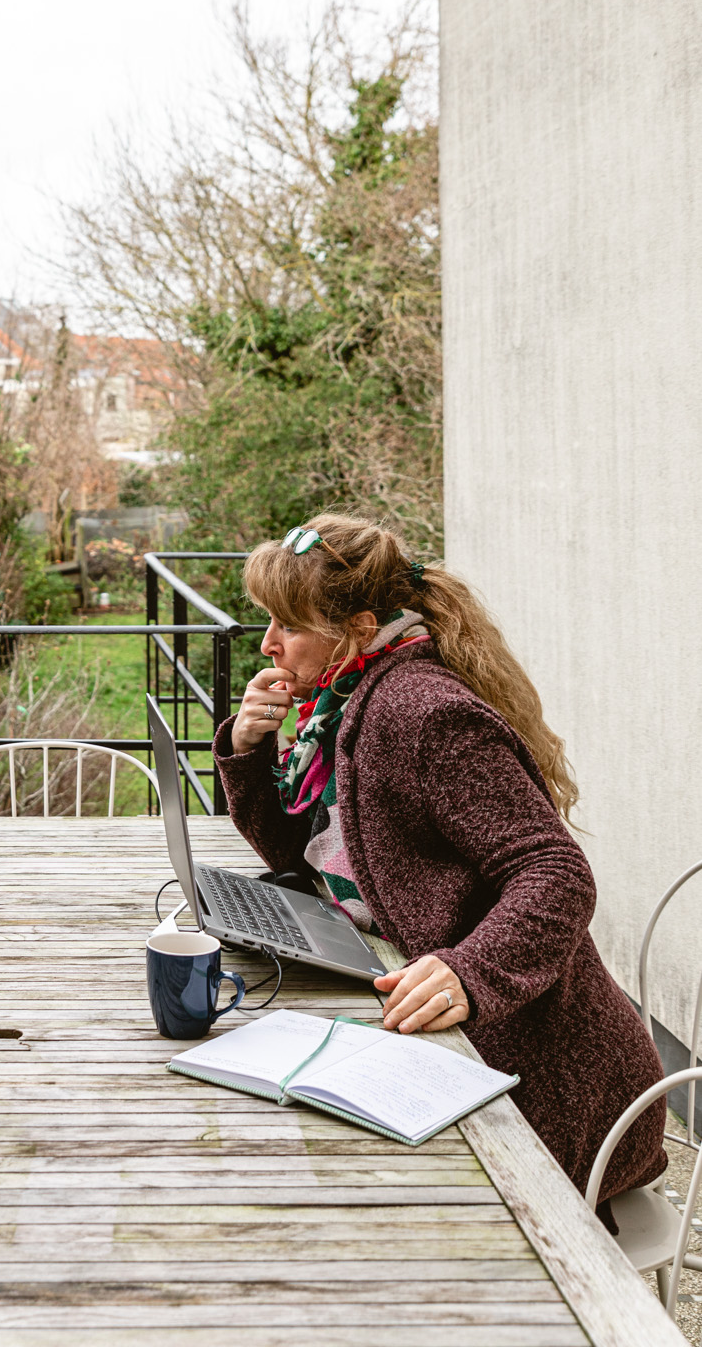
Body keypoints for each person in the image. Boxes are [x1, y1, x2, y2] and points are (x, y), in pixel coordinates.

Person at [215, 514, 665, 1212]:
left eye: (288, 625)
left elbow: (555, 872)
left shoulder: (421, 713)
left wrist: (469, 970)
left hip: (547, 1077)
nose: (268, 644)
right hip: (446, 1023)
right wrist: (248, 751)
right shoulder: (339, 704)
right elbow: (301, 857)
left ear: (359, 629)